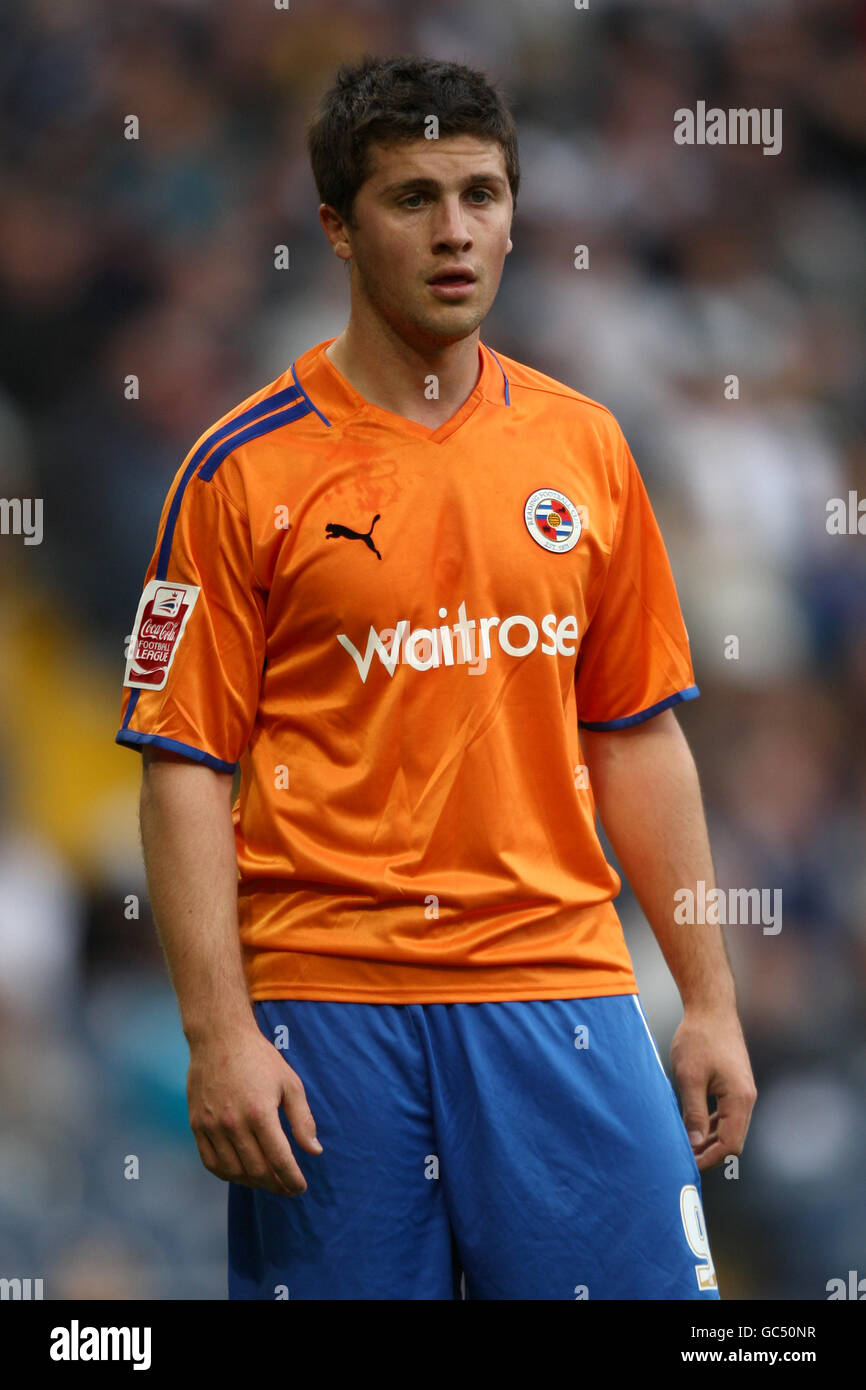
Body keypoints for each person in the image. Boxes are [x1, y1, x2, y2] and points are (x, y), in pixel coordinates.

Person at [115, 53, 756, 1300]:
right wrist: (217, 1035)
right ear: (337, 231)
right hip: (327, 1003)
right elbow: (185, 763)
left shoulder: (583, 447)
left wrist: (708, 999)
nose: (455, 232)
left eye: (481, 194)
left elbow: (634, 735)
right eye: (413, 198)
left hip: (557, 984)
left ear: (516, 212)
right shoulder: (236, 469)